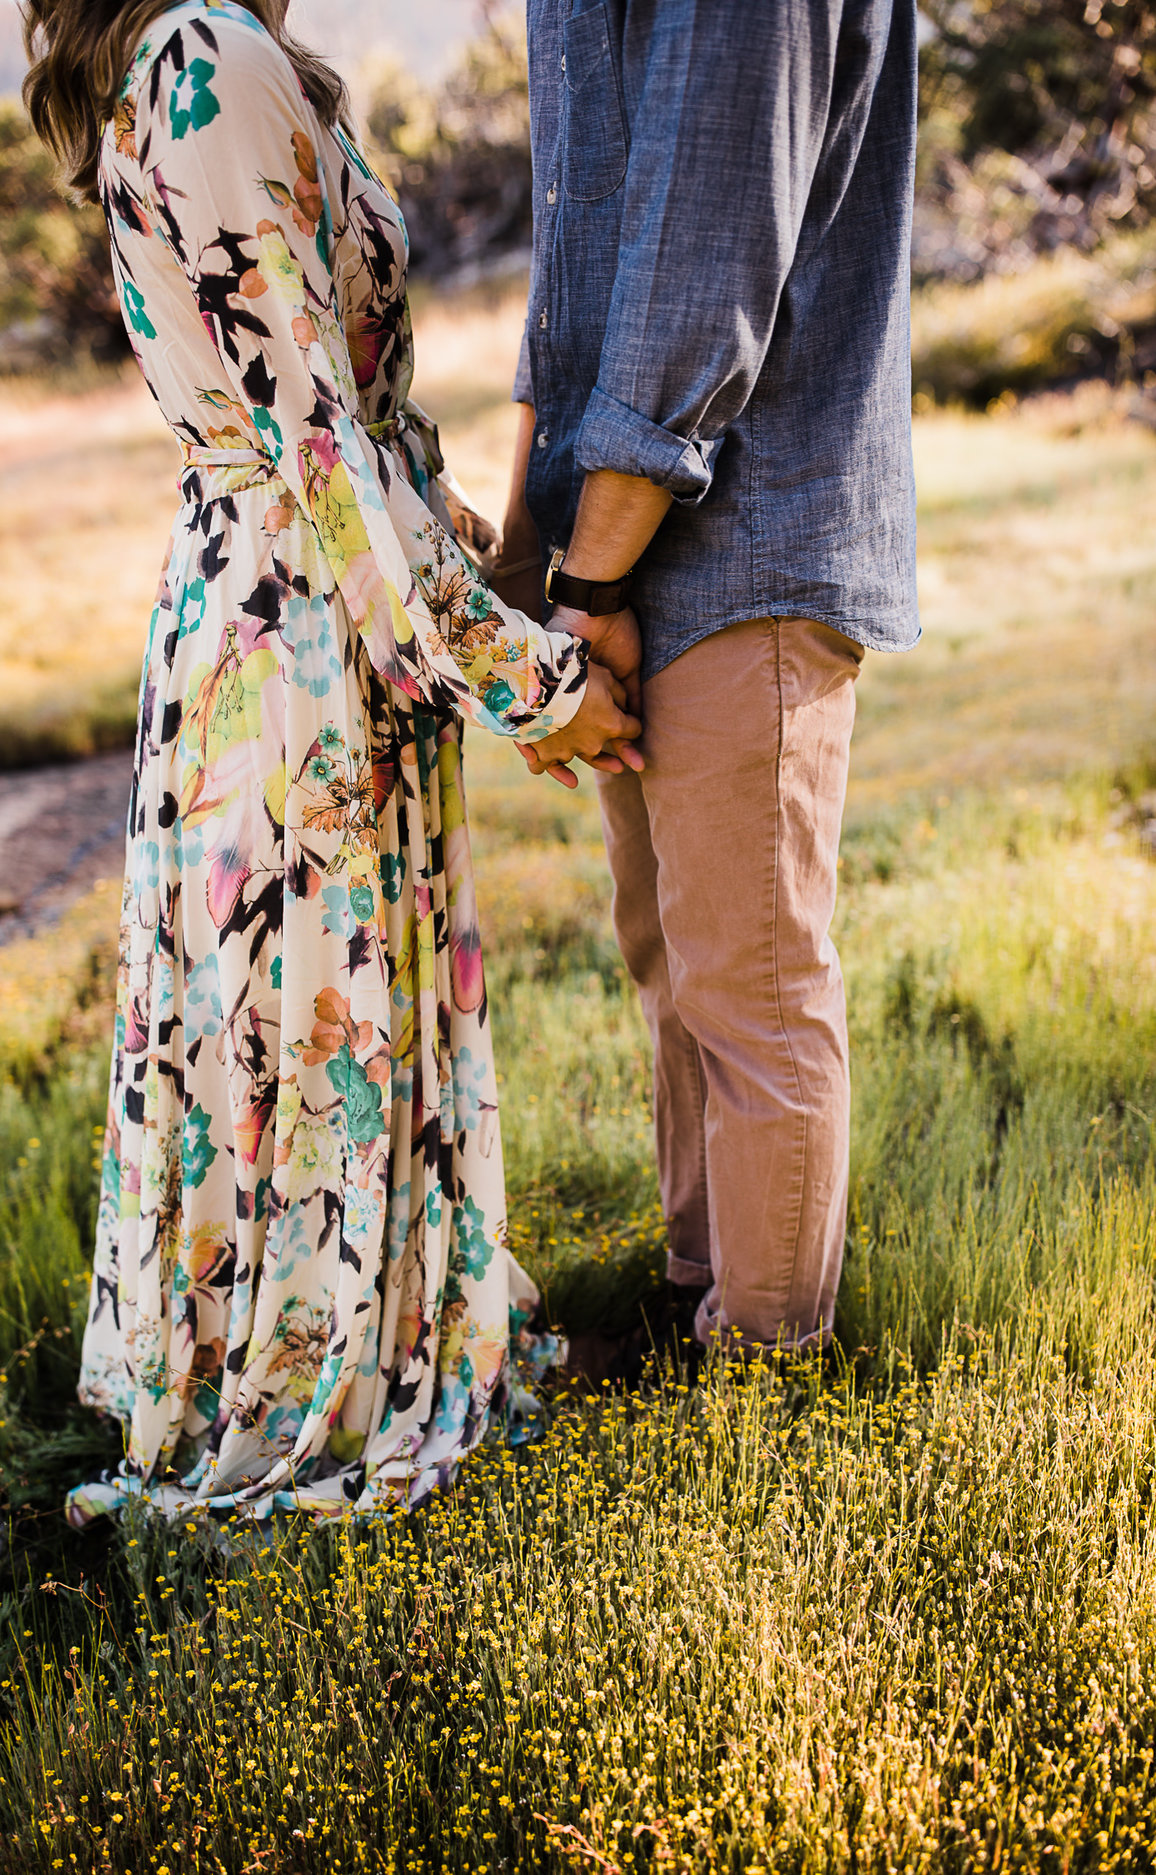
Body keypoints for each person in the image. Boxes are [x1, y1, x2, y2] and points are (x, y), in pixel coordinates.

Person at [26, 0, 645, 1525]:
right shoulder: (206, 60)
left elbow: (363, 422)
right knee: (308, 1025)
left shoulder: (230, 56)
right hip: (294, 620)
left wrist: (475, 568)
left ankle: (351, 1337)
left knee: (316, 1020)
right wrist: (523, 676)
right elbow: (312, 432)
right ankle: (310, 1377)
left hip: (308, 595)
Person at [494, 0, 917, 1348]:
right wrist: (532, 558)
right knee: (669, 956)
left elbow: (705, 272)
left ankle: (764, 1378)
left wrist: (591, 582)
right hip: (615, 534)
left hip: (748, 530)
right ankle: (699, 1291)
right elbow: (575, 273)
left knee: (752, 980)